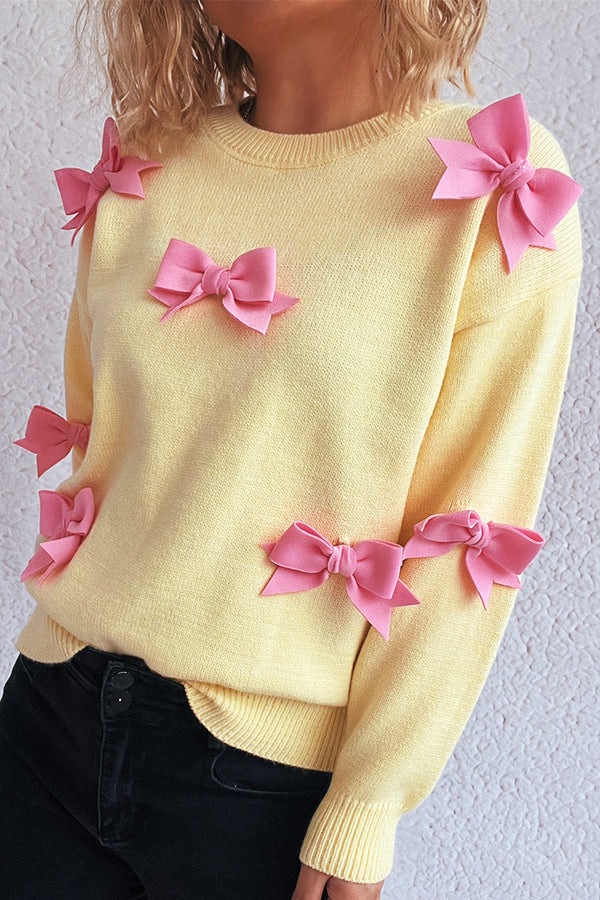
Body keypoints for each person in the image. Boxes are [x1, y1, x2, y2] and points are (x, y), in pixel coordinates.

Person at [0, 1, 583, 898]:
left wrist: (367, 805)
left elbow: (471, 534)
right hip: (48, 716)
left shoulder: (493, 181)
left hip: (259, 786)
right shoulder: (148, 162)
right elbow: (99, 451)